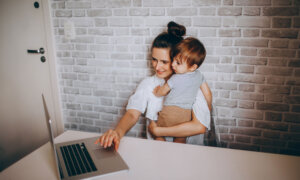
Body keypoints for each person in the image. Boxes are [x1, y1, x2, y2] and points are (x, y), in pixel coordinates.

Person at [94, 21, 212, 151]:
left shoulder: (192, 85)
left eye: (164, 62)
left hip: (190, 154)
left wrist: (158, 131)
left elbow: (199, 126)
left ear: (177, 60)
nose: (157, 66)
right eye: (154, 59)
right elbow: (132, 114)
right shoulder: (148, 84)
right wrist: (118, 132)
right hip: (157, 154)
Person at [152, 37, 207, 144]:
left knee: (158, 135)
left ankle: (160, 149)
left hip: (170, 112)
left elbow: (163, 91)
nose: (173, 65)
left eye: (178, 63)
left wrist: (157, 92)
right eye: (173, 60)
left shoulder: (175, 78)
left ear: (192, 67)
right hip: (185, 115)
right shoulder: (199, 76)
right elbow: (208, 93)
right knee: (181, 138)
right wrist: (207, 109)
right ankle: (178, 156)